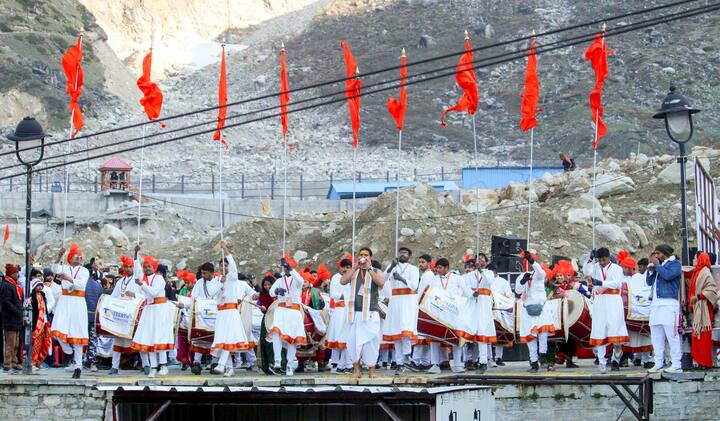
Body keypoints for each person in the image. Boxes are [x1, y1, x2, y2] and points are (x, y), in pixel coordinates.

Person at [340, 247, 385, 379]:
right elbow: (342, 281)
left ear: (370, 257)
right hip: (355, 313)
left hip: (371, 312)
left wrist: (369, 269)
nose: (363, 257)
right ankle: (357, 371)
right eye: (361, 255)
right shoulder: (354, 271)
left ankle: (371, 370)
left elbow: (381, 283)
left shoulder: (376, 271)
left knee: (371, 342)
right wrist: (354, 267)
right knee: (353, 343)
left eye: (365, 255)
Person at [130, 245, 175, 378]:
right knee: (149, 337)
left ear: (154, 267)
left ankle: (163, 365)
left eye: (149, 266)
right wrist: (136, 253)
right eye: (145, 266)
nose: (146, 268)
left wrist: (141, 284)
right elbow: (137, 269)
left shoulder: (159, 278)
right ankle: (153, 366)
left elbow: (154, 292)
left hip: (159, 310)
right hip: (149, 310)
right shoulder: (144, 278)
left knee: (159, 336)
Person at [582, 247, 629, 373]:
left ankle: (616, 358)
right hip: (600, 301)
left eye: (604, 260)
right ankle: (602, 361)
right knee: (600, 328)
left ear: (608, 257)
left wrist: (600, 282)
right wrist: (590, 259)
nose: (602, 262)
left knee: (614, 327)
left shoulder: (617, 268)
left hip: (613, 300)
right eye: (600, 260)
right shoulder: (596, 266)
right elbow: (586, 271)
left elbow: (615, 284)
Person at [210, 241, 252, 376]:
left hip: (231, 311)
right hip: (221, 312)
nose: (223, 267)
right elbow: (211, 293)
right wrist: (220, 283)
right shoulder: (217, 280)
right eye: (221, 265)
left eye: (225, 265)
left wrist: (226, 250)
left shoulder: (233, 277)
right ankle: (229, 368)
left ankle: (222, 365)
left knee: (228, 338)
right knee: (223, 340)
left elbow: (233, 265)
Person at [51, 244, 90, 379]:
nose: (78, 258)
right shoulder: (65, 267)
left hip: (78, 302)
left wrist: (68, 279)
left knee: (77, 334)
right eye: (75, 256)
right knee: (57, 329)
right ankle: (69, 351)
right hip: (64, 300)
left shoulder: (84, 270)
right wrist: (59, 255)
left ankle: (78, 366)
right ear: (69, 258)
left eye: (80, 256)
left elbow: (81, 284)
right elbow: (54, 269)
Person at [424, 258, 466, 374]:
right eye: (436, 268)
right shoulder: (433, 279)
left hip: (453, 312)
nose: (438, 270)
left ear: (447, 267)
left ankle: (457, 365)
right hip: (437, 312)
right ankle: (435, 365)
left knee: (456, 337)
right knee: (434, 338)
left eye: (440, 268)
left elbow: (465, 292)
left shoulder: (458, 278)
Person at [646, 244, 683, 373]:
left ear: (665, 253)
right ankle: (658, 362)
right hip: (655, 305)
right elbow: (649, 282)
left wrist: (657, 265)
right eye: (655, 254)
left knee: (671, 335)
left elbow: (668, 276)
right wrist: (651, 269)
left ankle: (676, 363)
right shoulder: (659, 266)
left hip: (669, 304)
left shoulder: (675, 264)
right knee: (656, 335)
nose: (656, 256)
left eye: (658, 253)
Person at [383, 247, 420, 375]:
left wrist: (401, 279)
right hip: (395, 301)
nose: (402, 255)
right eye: (400, 253)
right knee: (396, 332)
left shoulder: (413, 269)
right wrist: (391, 266)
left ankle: (406, 358)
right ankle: (399, 363)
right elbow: (382, 279)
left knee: (406, 331)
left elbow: (415, 286)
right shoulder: (392, 266)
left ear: (409, 256)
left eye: (405, 253)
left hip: (408, 301)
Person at [267, 255, 306, 376]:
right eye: (284, 267)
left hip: (293, 311)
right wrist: (277, 291)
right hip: (281, 310)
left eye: (287, 266)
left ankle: (289, 365)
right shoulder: (280, 280)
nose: (285, 269)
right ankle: (277, 360)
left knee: (292, 339)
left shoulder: (296, 280)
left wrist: (291, 269)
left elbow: (301, 280)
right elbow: (271, 291)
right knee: (276, 334)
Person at [459, 255, 497, 374]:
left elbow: (490, 282)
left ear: (486, 261)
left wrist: (481, 271)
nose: (480, 261)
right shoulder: (469, 275)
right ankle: (468, 360)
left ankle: (483, 362)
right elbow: (464, 288)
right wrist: (471, 294)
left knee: (482, 333)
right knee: (469, 331)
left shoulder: (489, 273)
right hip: (472, 304)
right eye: (478, 259)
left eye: (482, 259)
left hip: (484, 305)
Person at [515, 251, 550, 373]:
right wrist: (522, 281)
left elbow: (541, 271)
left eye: (531, 261)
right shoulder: (522, 275)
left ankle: (543, 356)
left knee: (543, 335)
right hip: (528, 310)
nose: (529, 264)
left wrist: (532, 260)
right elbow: (518, 291)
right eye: (528, 262)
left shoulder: (539, 274)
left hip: (541, 309)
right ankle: (534, 363)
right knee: (531, 339)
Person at [682, 251, 718, 369]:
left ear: (700, 259)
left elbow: (712, 290)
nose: (693, 260)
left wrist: (698, 296)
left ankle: (705, 362)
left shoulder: (705, 272)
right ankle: (700, 361)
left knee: (703, 335)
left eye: (695, 258)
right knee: (698, 335)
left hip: (704, 309)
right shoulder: (697, 272)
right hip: (698, 307)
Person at [108, 255, 142, 375]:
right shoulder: (120, 282)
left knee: (138, 339)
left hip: (133, 314)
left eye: (130, 267)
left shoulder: (138, 280)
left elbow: (143, 296)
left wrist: (134, 294)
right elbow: (113, 296)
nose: (128, 269)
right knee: (117, 340)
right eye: (126, 267)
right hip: (121, 315)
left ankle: (147, 365)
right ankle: (114, 366)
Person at [189, 260, 223, 374]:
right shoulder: (199, 282)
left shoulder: (219, 282)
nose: (203, 275)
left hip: (215, 315)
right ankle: (196, 363)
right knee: (199, 338)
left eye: (205, 273)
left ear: (211, 273)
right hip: (201, 315)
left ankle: (215, 363)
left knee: (215, 338)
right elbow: (193, 297)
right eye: (202, 273)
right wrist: (186, 305)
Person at [621, 257, 653, 368]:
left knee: (644, 337)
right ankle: (638, 359)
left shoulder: (640, 278)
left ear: (630, 268)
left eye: (624, 268)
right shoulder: (628, 279)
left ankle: (646, 360)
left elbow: (645, 293)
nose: (623, 270)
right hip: (633, 313)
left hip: (641, 312)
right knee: (636, 337)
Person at [327, 259, 351, 374]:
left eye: (348, 267)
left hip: (349, 310)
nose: (346, 269)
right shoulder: (336, 277)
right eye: (344, 267)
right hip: (340, 310)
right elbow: (333, 294)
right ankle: (335, 363)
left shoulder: (352, 277)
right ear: (340, 268)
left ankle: (346, 363)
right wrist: (345, 296)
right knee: (337, 336)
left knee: (347, 338)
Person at [411, 254, 433, 370]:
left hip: (423, 307)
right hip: (422, 306)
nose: (420, 264)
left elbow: (424, 292)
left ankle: (419, 360)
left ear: (429, 263)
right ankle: (423, 361)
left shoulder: (428, 275)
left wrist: (417, 305)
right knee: (422, 336)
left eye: (423, 262)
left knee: (422, 336)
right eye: (419, 262)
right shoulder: (425, 275)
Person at [1, 264, 23, 373]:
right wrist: (17, 311)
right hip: (10, 318)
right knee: (10, 343)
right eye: (15, 273)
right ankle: (7, 364)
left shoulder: (13, 285)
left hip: (16, 319)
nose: (18, 275)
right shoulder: (7, 285)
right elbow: (6, 302)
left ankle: (14, 362)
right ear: (11, 274)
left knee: (16, 344)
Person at [84, 266, 104, 372]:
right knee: (93, 339)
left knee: (80, 339)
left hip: (83, 315)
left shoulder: (82, 285)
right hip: (95, 315)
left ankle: (78, 361)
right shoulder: (98, 285)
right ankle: (92, 362)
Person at [30, 276, 51, 370]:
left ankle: (39, 362)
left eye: (41, 285)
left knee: (43, 343)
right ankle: (32, 362)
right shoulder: (32, 296)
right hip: (36, 323)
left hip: (43, 322)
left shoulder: (43, 295)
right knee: (35, 344)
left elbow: (45, 309)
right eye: (38, 285)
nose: (40, 287)